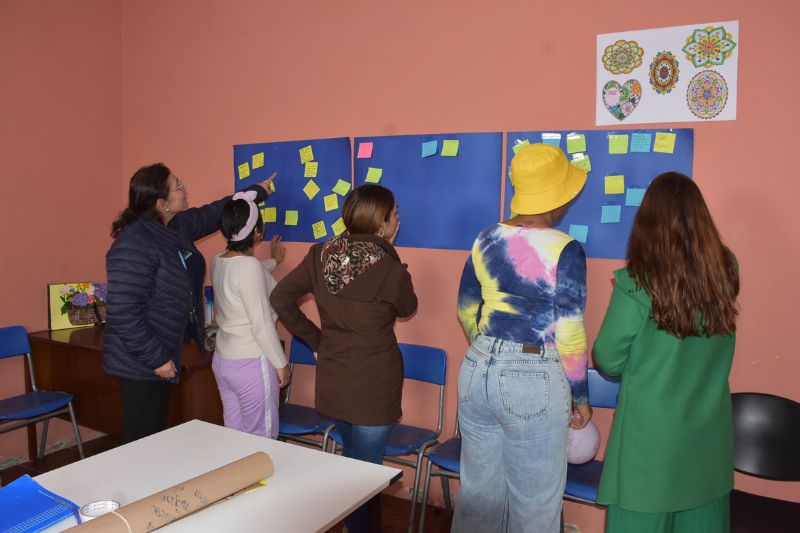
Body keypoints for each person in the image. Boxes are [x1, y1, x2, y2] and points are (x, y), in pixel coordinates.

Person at [454, 143, 592, 533]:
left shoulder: (485, 238)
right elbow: (568, 331)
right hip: (532, 379)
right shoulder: (565, 249)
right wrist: (580, 397)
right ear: (558, 197)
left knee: (478, 497)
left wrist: (490, 350)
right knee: (534, 507)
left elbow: (466, 309)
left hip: (477, 369)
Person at [594, 172, 739, 533]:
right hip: (707, 437)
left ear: (647, 223)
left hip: (650, 443)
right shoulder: (725, 271)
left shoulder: (638, 283)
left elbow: (608, 358)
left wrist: (643, 362)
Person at [270, 184, 417, 533]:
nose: (399, 220)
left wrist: (316, 339)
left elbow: (280, 297)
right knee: (365, 478)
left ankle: (356, 526)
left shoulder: (320, 255)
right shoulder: (391, 270)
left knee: (353, 469)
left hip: (336, 379)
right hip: (373, 386)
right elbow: (409, 307)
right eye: (395, 214)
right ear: (381, 223)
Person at [103, 163, 274, 443]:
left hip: (162, 349)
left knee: (155, 434)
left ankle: (152, 484)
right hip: (139, 359)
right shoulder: (133, 243)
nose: (185, 188)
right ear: (162, 203)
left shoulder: (175, 226)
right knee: (141, 439)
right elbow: (123, 313)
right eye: (178, 185)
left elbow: (214, 211)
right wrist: (157, 358)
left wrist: (256, 192)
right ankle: (139, 486)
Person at [211, 190, 291, 439]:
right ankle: (261, 480)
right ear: (257, 233)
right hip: (251, 363)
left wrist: (273, 262)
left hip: (224, 361)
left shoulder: (218, 260)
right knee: (261, 438)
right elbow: (261, 324)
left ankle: (237, 479)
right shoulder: (249, 268)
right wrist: (281, 363)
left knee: (234, 436)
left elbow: (245, 275)